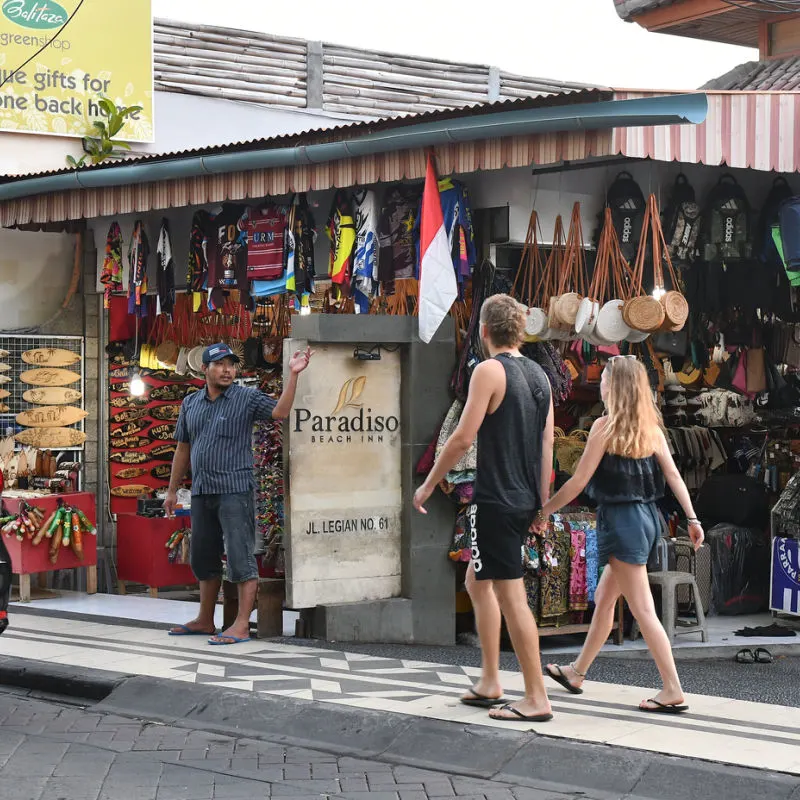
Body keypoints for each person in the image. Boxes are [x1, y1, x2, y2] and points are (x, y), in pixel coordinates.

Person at [413, 294, 555, 723]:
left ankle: (536, 698)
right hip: (525, 497)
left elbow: (461, 438)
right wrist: (542, 504)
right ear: (522, 330)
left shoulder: (488, 371)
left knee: (511, 595)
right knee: (478, 580)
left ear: (485, 331)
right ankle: (491, 679)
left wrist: (428, 484)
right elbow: (547, 444)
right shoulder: (541, 376)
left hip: (493, 497)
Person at [537, 355, 704, 714]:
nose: (601, 384)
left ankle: (672, 689)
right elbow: (674, 477)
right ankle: (577, 672)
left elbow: (579, 482)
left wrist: (544, 510)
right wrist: (692, 518)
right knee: (604, 596)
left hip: (621, 521)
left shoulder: (604, 427)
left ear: (614, 387)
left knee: (643, 609)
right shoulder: (651, 429)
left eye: (605, 379)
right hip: (645, 519)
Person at [165, 341, 312, 645]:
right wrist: (171, 491)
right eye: (219, 364)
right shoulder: (190, 403)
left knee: (240, 556)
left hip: (235, 490)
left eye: (231, 364)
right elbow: (183, 447)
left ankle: (241, 625)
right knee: (203, 557)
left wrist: (294, 375)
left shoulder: (245, 398)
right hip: (202, 491)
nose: (227, 370)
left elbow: (280, 411)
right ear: (204, 369)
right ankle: (205, 620)